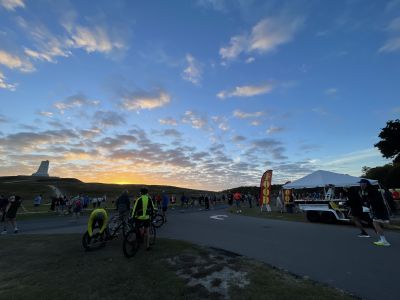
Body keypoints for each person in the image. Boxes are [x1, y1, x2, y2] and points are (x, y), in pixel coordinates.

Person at [359, 179, 391, 246]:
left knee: (375, 223)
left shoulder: (369, 190)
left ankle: (384, 240)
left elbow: (370, 200)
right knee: (376, 222)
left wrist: (368, 204)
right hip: (379, 208)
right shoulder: (371, 189)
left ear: (365, 184)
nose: (360, 185)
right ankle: (382, 239)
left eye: (361, 183)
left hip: (378, 208)